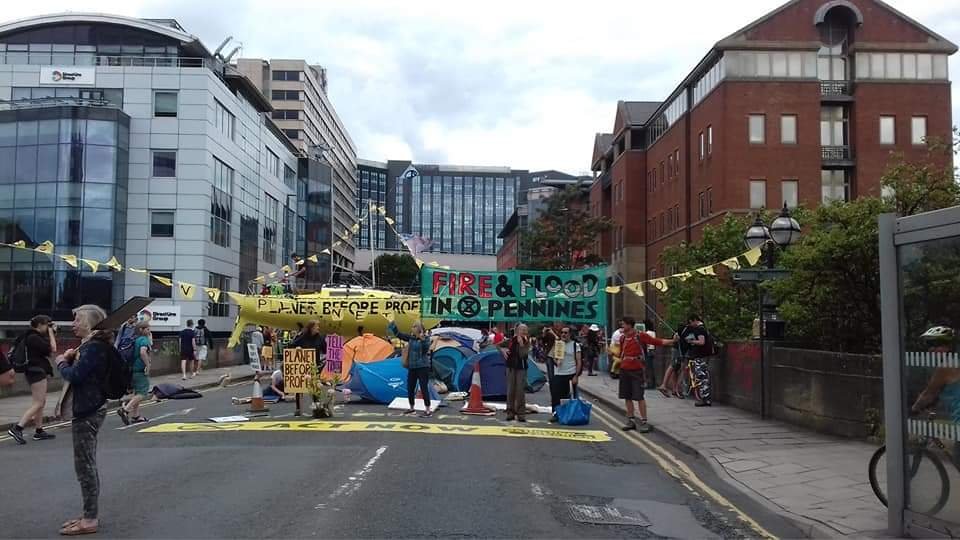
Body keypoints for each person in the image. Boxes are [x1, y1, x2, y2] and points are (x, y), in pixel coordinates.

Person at [57, 304, 117, 536]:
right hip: (92, 408)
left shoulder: (93, 348)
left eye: (78, 320)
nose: (73, 324)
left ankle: (90, 519)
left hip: (88, 410)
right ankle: (87, 515)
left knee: (85, 467)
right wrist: (73, 357)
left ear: (91, 323)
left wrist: (62, 361)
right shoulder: (92, 346)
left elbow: (75, 376)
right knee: (85, 465)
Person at [618, 316, 676, 432]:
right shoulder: (622, 338)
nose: (622, 327)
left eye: (623, 324)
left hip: (637, 370)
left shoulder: (641, 336)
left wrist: (673, 341)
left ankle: (644, 422)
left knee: (639, 396)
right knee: (627, 396)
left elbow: (657, 342)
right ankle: (631, 421)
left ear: (629, 325)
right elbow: (621, 353)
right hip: (624, 370)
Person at [8, 315, 58, 444]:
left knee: (40, 402)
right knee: (38, 403)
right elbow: (52, 349)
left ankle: (39, 431)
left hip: (34, 371)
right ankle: (17, 428)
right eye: (47, 325)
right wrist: (52, 333)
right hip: (36, 372)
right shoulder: (33, 338)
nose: (48, 327)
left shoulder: (31, 337)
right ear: (40, 325)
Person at [911, 326, 960, 430]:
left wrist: (913, 409)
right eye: (929, 344)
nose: (931, 348)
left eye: (937, 344)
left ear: (950, 346)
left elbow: (929, 394)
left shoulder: (946, 367)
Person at [388, 320, 434, 418]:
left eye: (414, 326)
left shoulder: (425, 339)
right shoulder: (411, 338)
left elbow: (426, 349)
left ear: (419, 329)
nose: (412, 328)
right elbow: (399, 335)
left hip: (422, 367)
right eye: (413, 326)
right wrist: (393, 325)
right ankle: (412, 407)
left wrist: (422, 339)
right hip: (412, 367)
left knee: (424, 387)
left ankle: (427, 409)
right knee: (410, 387)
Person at [118, 322, 152, 425]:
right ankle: (126, 410)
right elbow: (142, 352)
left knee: (137, 392)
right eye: (147, 329)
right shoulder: (143, 340)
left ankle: (136, 416)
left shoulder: (135, 340)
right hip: (140, 370)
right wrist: (147, 365)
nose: (149, 330)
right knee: (142, 393)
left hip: (132, 370)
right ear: (141, 330)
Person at [549, 327, 582, 423]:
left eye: (566, 333)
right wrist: (556, 361)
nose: (563, 334)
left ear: (570, 334)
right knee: (556, 395)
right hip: (559, 373)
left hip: (571, 373)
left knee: (570, 397)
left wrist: (576, 376)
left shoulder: (575, 345)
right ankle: (555, 414)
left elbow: (579, 362)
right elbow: (553, 358)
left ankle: (571, 414)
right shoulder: (558, 344)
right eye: (562, 332)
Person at [501, 323, 531, 422]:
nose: (524, 332)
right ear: (517, 331)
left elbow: (523, 355)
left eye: (525, 330)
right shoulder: (511, 340)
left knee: (520, 391)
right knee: (510, 390)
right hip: (510, 367)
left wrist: (521, 344)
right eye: (522, 330)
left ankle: (521, 414)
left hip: (521, 368)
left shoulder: (527, 341)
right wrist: (503, 350)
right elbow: (498, 345)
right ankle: (510, 412)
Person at [684, 314, 713, 407]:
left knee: (702, 377)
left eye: (691, 322)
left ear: (695, 320)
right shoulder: (703, 328)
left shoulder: (700, 329)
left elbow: (701, 342)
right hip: (704, 355)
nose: (691, 325)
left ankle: (705, 399)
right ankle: (706, 398)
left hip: (701, 356)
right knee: (704, 376)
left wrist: (691, 341)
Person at [643, 319, 658, 389]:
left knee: (648, 368)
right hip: (652, 350)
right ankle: (653, 383)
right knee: (651, 367)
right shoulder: (653, 332)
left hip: (648, 350)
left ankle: (649, 383)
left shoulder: (647, 333)